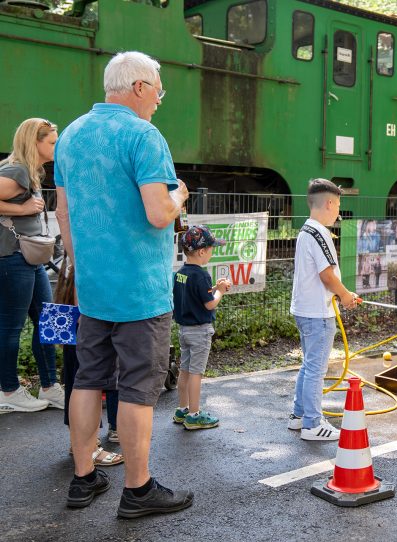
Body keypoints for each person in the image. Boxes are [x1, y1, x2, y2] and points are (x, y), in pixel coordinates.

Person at [54, 51, 193, 517]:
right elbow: (158, 214)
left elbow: (64, 213)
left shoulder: (70, 135)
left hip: (94, 289)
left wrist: (84, 264)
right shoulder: (143, 135)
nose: (159, 99)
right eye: (158, 89)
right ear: (138, 87)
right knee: (137, 389)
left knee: (88, 379)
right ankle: (138, 490)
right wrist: (180, 195)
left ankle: (83, 478)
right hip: (140, 291)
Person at [0, 118, 65, 413]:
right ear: (34, 142)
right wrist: (22, 208)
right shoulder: (16, 171)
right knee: (11, 328)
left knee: (51, 322)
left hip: (30, 257)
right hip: (14, 258)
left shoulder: (29, 171)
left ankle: (50, 387)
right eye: (51, 141)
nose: (57, 145)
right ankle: (8, 391)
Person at [287, 179, 360, 441]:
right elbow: (327, 275)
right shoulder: (321, 234)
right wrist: (345, 295)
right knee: (316, 369)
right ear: (329, 203)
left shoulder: (306, 231)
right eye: (338, 205)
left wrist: (342, 294)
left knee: (309, 366)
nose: (339, 212)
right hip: (318, 314)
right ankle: (313, 424)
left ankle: (299, 416)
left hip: (304, 309)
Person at [56, 257, 122, 466]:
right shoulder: (89, 259)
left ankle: (78, 443)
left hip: (73, 328)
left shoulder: (72, 259)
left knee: (76, 384)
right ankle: (90, 447)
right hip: (88, 326)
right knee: (89, 385)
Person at [172, 225, 231, 430]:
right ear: (202, 251)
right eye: (212, 249)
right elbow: (209, 304)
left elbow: (194, 294)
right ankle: (194, 414)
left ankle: (182, 409)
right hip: (200, 331)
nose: (212, 253)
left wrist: (213, 288)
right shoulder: (202, 274)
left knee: (185, 370)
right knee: (197, 373)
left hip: (184, 330)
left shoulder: (181, 273)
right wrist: (221, 292)